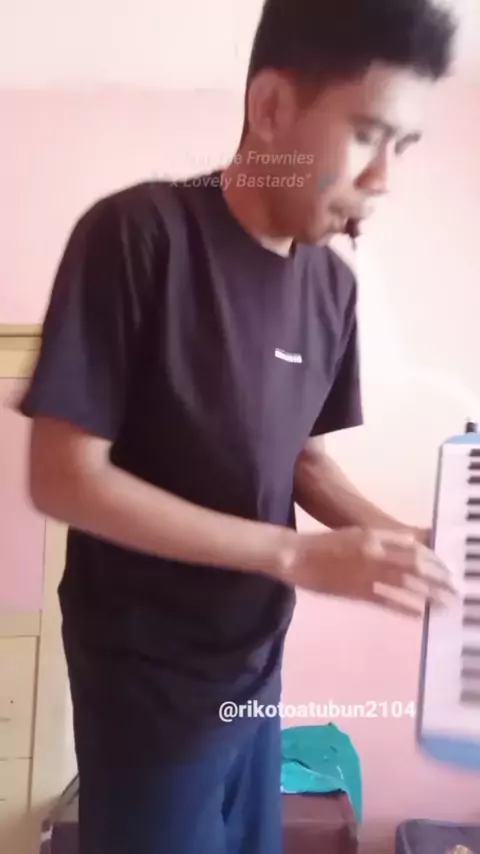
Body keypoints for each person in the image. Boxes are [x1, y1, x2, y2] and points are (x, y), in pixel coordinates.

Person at [19, 1, 458, 852]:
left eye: (401, 146)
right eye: (367, 135)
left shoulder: (332, 288)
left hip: (256, 659)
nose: (384, 179)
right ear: (271, 108)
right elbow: (63, 476)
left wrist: (414, 547)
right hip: (143, 674)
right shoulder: (137, 235)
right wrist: (294, 555)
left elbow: (304, 464)